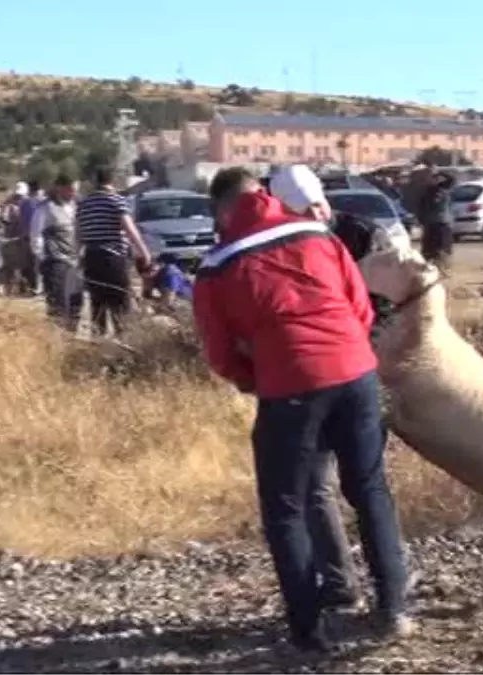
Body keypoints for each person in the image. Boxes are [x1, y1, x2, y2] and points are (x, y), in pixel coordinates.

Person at [194, 164, 412, 653]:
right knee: (370, 487)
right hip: (355, 372)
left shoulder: (218, 265)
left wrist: (259, 380)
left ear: (222, 211)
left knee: (286, 506)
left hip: (289, 385)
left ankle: (310, 630)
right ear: (264, 196)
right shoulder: (317, 233)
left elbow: (220, 353)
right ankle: (395, 606)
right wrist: (351, 355)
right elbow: (360, 305)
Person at [75, 166, 151, 337]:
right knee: (121, 307)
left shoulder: (84, 204)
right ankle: (122, 345)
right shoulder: (116, 200)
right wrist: (144, 253)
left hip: (91, 259)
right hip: (112, 259)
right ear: (112, 181)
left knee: (98, 306)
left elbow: (78, 234)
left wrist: (79, 258)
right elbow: (130, 229)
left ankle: (98, 344)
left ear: (96, 181)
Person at [31, 174, 82, 330]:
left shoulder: (74, 207)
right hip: (56, 264)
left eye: (75, 190)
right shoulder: (45, 208)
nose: (73, 193)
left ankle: (71, 340)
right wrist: (44, 258)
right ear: (59, 188)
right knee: (59, 306)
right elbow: (35, 235)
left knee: (76, 304)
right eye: (70, 190)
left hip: (74, 263)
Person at [417, 170, 453, 271]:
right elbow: (421, 209)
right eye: (432, 179)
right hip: (431, 224)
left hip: (443, 223)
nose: (434, 180)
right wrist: (422, 222)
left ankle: (444, 268)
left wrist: (440, 172)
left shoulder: (443, 187)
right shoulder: (427, 192)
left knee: (443, 248)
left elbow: (452, 178)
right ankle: (430, 267)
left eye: (435, 178)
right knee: (428, 249)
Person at [0, 182, 30, 296]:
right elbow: (3, 219)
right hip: (11, 241)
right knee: (9, 267)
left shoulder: (28, 205)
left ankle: (23, 289)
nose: (18, 198)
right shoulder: (10, 207)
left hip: (22, 240)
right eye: (17, 196)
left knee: (23, 267)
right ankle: (9, 290)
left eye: (20, 196)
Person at [18, 180, 46, 295]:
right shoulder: (41, 202)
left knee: (28, 264)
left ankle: (28, 288)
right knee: (39, 263)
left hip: (26, 237)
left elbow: (21, 219)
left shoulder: (24, 203)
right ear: (39, 190)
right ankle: (38, 288)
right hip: (39, 236)